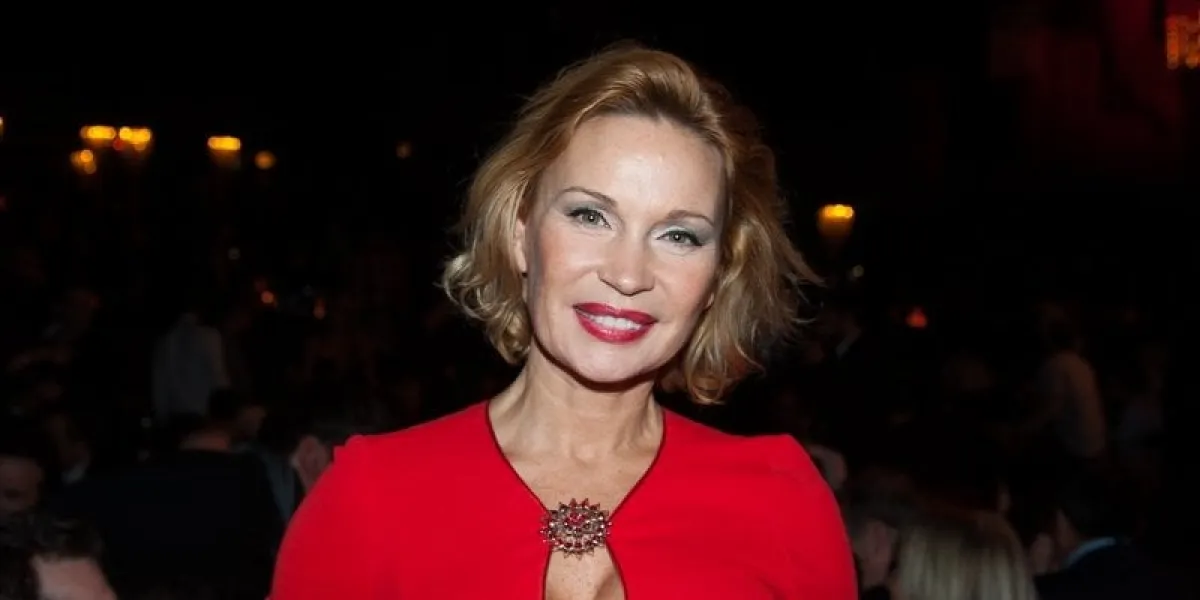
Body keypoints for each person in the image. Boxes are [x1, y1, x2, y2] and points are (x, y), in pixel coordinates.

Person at [272, 43, 857, 599]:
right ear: (521, 234)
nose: (628, 274)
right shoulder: (371, 497)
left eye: (679, 235)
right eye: (590, 215)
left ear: (715, 278)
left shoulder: (782, 502)